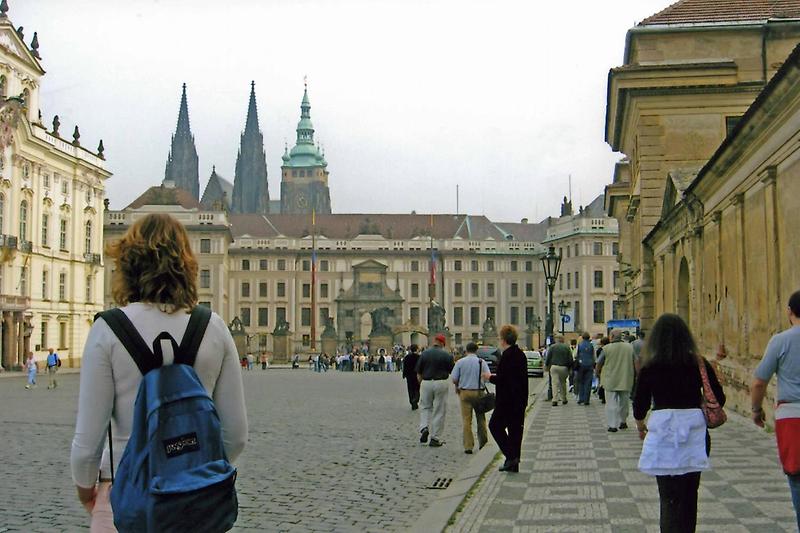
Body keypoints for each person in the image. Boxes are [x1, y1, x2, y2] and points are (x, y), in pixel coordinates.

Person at [70, 213, 248, 530]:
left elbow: (88, 443)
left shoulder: (107, 329)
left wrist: (88, 491)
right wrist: (193, 472)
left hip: (123, 494)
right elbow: (235, 435)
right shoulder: (213, 327)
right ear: (187, 264)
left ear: (127, 265)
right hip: (196, 501)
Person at [634, 313, 724, 533]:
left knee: (668, 496)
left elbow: (640, 403)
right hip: (694, 431)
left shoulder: (650, 366)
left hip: (663, 431)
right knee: (689, 494)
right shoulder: (698, 363)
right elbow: (719, 398)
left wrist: (640, 425)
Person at [751, 290, 800, 528]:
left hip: (792, 418)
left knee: (797, 477)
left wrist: (756, 410)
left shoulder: (780, 341)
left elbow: (759, 380)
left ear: (789, 312)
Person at [489, 325, 528, 472]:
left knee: (494, 426)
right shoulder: (520, 354)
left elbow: (504, 379)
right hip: (520, 399)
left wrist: (490, 377)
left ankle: (511, 456)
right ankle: (513, 463)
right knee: (515, 431)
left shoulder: (507, 356)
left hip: (507, 400)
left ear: (504, 340)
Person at [451, 342, 491, 454]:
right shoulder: (481, 362)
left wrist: (460, 383)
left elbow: (454, 379)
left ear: (466, 350)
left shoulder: (460, 362)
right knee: (481, 419)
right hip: (479, 393)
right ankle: (483, 443)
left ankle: (468, 446)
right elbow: (488, 377)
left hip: (465, 392)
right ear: (476, 350)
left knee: (466, 420)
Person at [415, 334, 454, 447]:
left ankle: (424, 428)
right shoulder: (447, 355)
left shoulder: (424, 353)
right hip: (441, 382)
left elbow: (418, 373)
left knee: (425, 407)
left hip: (426, 382)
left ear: (434, 341)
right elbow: (452, 371)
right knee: (439, 409)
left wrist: (421, 384)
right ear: (443, 343)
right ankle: (435, 438)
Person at [596, 329, 635, 432]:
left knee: (611, 403)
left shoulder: (606, 348)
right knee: (624, 402)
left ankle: (613, 425)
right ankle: (623, 422)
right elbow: (636, 362)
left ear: (611, 336)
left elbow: (599, 363)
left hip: (610, 379)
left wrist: (597, 373)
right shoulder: (629, 347)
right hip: (625, 378)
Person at [544, 335, 573, 406]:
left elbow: (548, 358)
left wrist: (546, 365)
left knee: (554, 383)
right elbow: (570, 359)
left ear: (556, 339)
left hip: (554, 367)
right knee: (563, 383)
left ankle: (555, 399)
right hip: (564, 367)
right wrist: (570, 368)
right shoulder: (566, 347)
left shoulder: (552, 347)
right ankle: (564, 398)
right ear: (563, 339)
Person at [574, 333, 595, 405]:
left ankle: (581, 398)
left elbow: (575, 355)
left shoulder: (579, 345)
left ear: (582, 337)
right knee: (588, 383)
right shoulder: (591, 345)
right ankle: (587, 399)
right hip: (589, 365)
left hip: (581, 365)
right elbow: (594, 356)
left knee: (581, 382)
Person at [402, 344, 421, 410]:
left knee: (410, 389)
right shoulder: (419, 357)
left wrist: (404, 374)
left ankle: (412, 400)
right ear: (417, 349)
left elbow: (405, 366)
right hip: (416, 375)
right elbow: (421, 367)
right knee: (417, 389)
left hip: (409, 376)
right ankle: (415, 400)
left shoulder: (407, 357)